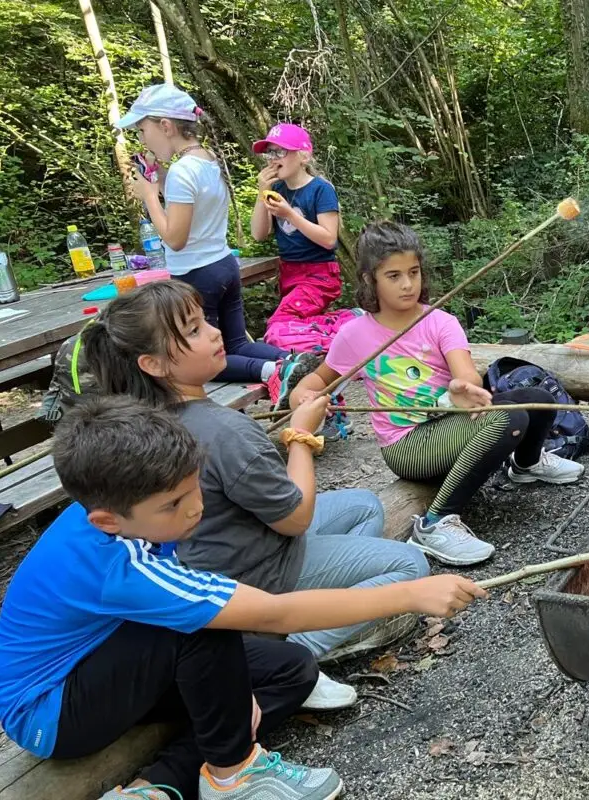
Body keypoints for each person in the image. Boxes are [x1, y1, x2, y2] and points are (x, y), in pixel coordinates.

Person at [0, 396, 485, 800]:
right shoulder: (116, 562)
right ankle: (233, 774)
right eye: (173, 504)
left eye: (194, 490)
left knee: (291, 669)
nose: (193, 510)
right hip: (51, 709)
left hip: (114, 661)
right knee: (206, 626)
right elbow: (274, 612)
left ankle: (159, 785)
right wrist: (410, 594)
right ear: (108, 520)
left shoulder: (131, 514)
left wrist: (233, 690)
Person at [82, 281, 429, 708]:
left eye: (204, 321)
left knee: (364, 506)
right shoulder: (225, 431)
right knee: (410, 564)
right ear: (152, 363)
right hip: (254, 575)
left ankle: (327, 600)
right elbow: (297, 518)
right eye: (192, 330)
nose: (212, 332)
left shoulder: (147, 419)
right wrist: (301, 436)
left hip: (223, 551)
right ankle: (293, 648)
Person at [290, 222, 585, 567]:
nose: (408, 284)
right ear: (371, 280)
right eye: (394, 276)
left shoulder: (439, 321)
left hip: (453, 423)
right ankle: (434, 525)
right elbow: (314, 383)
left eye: (413, 272)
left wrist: (463, 388)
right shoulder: (354, 335)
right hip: (408, 446)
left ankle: (526, 464)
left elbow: (466, 377)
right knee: (511, 417)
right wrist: (303, 398)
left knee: (539, 398)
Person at [118, 84, 316, 404]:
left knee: (202, 362)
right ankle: (293, 360)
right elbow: (195, 210)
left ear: (166, 126)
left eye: (143, 130)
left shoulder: (183, 171)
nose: (142, 139)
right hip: (223, 264)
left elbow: (175, 239)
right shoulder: (208, 160)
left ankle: (273, 370)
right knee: (236, 343)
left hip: (196, 275)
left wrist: (150, 197)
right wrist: (159, 182)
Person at [250, 123, 345, 329]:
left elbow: (329, 240)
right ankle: (328, 337)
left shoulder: (321, 189)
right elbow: (258, 234)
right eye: (270, 153)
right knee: (298, 326)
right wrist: (261, 192)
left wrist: (289, 214)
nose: (274, 158)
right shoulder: (276, 189)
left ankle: (343, 323)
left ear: (304, 156)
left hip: (319, 275)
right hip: (289, 273)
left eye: (281, 151)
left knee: (280, 324)